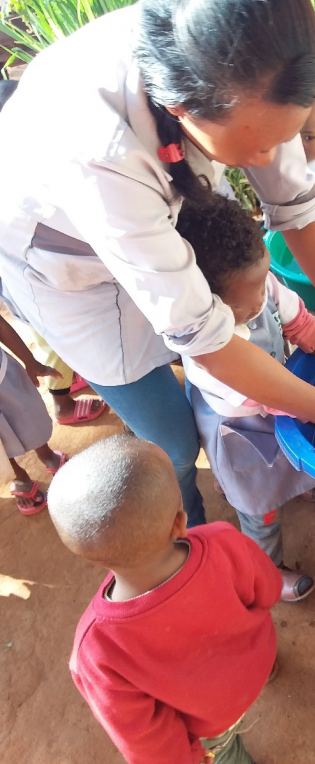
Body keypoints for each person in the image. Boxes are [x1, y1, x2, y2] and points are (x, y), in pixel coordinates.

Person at [0, 0, 315, 530]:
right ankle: (184, 534)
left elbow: (296, 209)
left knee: (201, 359)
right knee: (170, 441)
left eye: (282, 138)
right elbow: (206, 339)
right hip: (70, 269)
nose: (270, 161)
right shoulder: (101, 145)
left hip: (160, 207)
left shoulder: (246, 67)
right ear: (181, 110)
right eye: (255, 147)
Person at [178, 195, 315, 602]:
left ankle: (296, 484)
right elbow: (269, 401)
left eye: (264, 280)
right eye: (250, 295)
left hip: (282, 404)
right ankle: (267, 567)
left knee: (293, 459)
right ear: (207, 303)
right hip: (242, 429)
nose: (261, 298)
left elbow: (303, 328)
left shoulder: (258, 283)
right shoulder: (207, 354)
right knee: (258, 504)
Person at [48, 435, 282, 764]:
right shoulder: (222, 540)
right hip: (258, 663)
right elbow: (269, 588)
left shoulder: (97, 651)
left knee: (228, 755)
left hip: (211, 726)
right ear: (179, 522)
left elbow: (147, 742)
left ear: (89, 556)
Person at [0, 79, 107, 427]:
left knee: (62, 336)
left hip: (36, 274)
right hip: (29, 285)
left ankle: (71, 374)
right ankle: (61, 401)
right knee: (51, 337)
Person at [0, 311, 67, 514]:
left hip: (2, 375)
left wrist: (30, 361)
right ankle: (19, 476)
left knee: (28, 414)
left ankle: (46, 455)